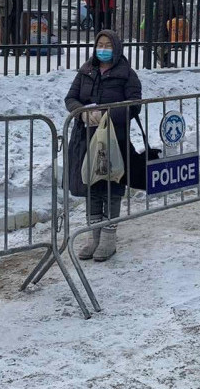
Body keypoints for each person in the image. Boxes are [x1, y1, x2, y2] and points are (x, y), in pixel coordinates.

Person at [65, 30, 142, 262]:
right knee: (92, 184)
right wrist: (83, 113)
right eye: (100, 44)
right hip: (86, 137)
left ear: (117, 48)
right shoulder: (86, 70)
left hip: (113, 139)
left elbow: (134, 104)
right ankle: (93, 235)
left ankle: (109, 238)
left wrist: (107, 114)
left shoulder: (126, 74)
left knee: (111, 185)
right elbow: (70, 98)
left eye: (108, 44)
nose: (104, 48)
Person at [152, 0, 186, 68]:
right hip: (170, 11)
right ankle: (163, 59)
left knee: (160, 34)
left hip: (159, 9)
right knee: (167, 36)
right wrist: (180, 14)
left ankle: (160, 55)